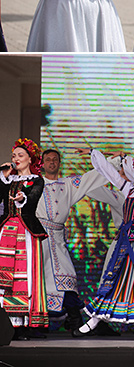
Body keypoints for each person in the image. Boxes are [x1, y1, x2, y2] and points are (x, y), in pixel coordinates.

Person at [79, 149, 134, 337]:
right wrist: (94, 153)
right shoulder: (129, 189)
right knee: (114, 279)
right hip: (124, 243)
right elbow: (109, 172)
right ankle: (96, 320)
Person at [37, 147, 123, 330]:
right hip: (39, 238)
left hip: (57, 238)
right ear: (42, 164)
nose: (52, 162)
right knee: (38, 280)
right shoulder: (34, 184)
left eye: (55, 159)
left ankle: (75, 319)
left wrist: (116, 161)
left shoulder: (68, 184)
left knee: (66, 277)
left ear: (59, 163)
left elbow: (92, 177)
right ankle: (39, 324)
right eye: (48, 160)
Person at [0, 138, 48, 332]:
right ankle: (4, 323)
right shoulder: (7, 179)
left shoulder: (37, 180)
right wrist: (2, 177)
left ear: (30, 158)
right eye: (13, 156)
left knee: (23, 274)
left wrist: (22, 197)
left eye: (20, 155)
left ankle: (21, 324)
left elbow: (33, 196)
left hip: (25, 231)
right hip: (6, 230)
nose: (16, 159)